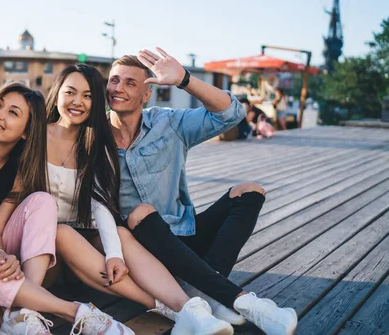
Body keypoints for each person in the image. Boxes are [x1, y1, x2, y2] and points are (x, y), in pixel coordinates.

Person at [0, 82, 133, 335]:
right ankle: (74, 312)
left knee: (42, 201)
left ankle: (18, 314)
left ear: (27, 132)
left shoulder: (18, 170)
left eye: (13, 113)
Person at [106, 49, 298, 335]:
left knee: (249, 192)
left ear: (147, 95)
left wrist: (184, 79)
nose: (118, 88)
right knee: (141, 212)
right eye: (113, 80)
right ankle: (243, 302)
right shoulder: (93, 136)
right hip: (139, 254)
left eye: (130, 83)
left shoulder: (168, 122)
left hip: (183, 237)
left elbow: (232, 114)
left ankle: (206, 291)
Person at [45, 64, 234, 335]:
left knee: (118, 234)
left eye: (87, 96)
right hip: (40, 250)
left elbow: (99, 203)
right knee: (61, 232)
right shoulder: (36, 134)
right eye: (70, 93)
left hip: (81, 247)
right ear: (57, 94)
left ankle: (192, 311)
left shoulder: (96, 143)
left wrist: (113, 255)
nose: (78, 102)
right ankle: (170, 309)